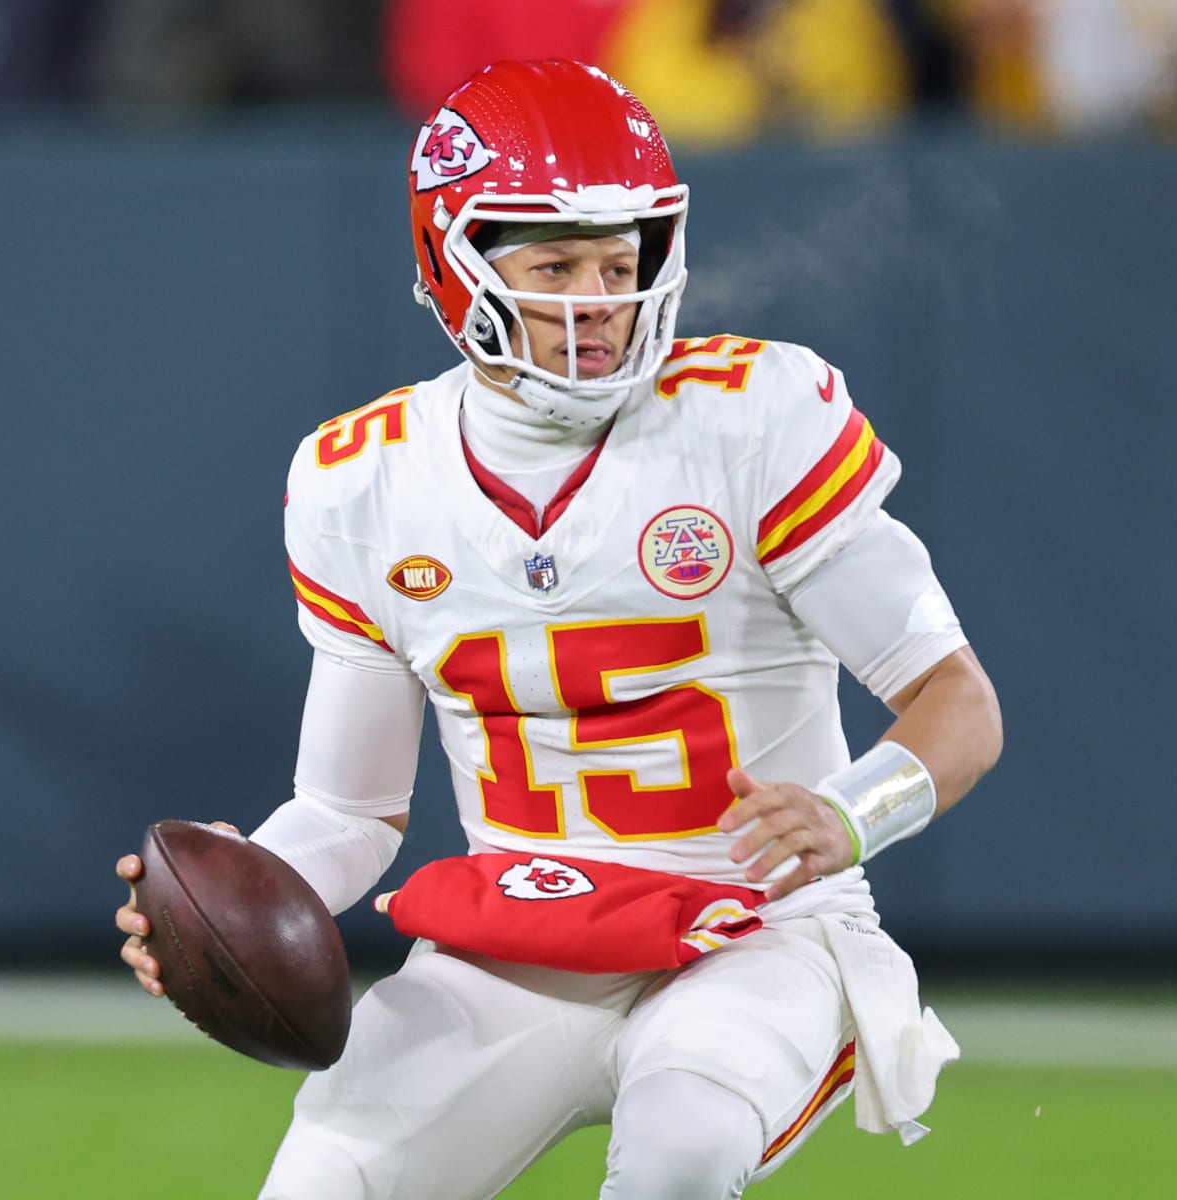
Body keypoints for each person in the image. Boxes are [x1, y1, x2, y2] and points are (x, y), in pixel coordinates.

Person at [115, 58, 1002, 1200]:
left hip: (761, 930)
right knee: (320, 1184)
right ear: (459, 266)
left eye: (617, 264)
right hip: (530, 936)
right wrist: (230, 897)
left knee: (682, 1144)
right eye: (555, 266)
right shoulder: (364, 479)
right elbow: (350, 810)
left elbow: (958, 703)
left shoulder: (752, 421)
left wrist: (851, 812)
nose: (598, 303)